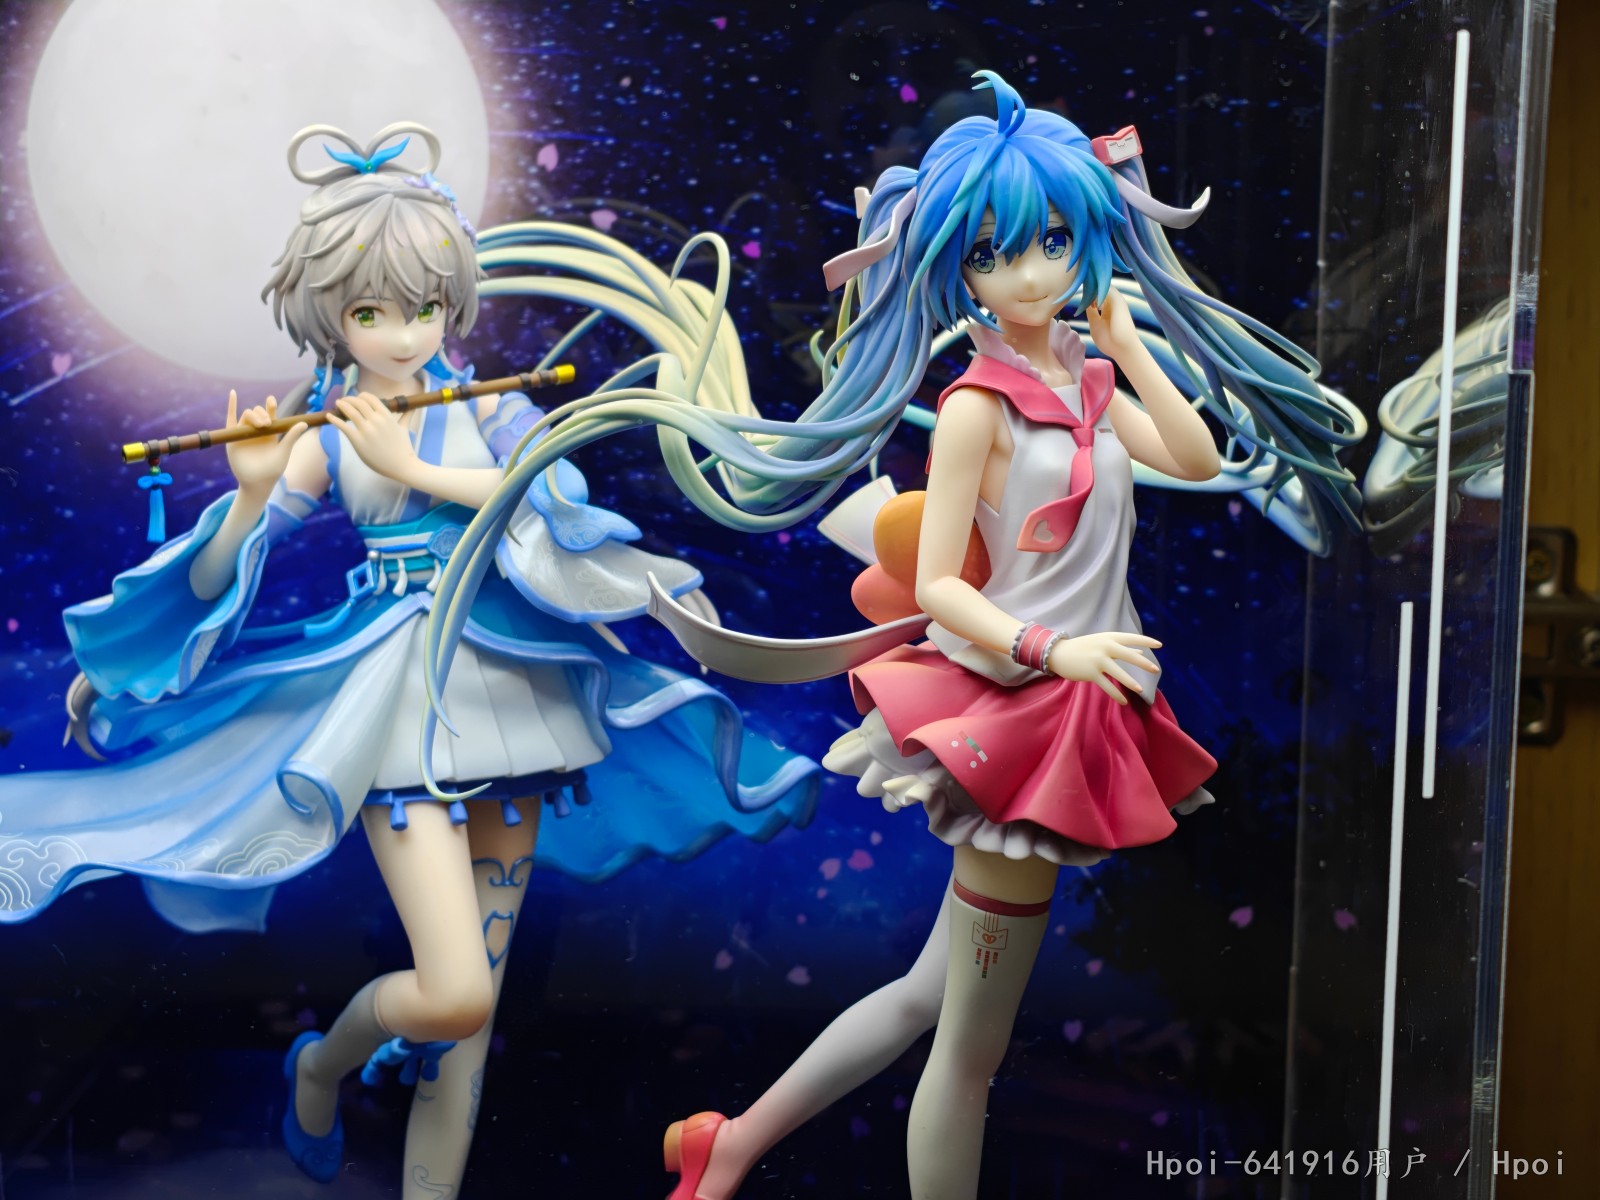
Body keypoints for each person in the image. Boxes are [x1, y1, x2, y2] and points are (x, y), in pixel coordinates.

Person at [430, 71, 1362, 1200]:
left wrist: (1132, 349)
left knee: (932, 997)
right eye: (995, 254)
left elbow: (1199, 460)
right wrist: (1054, 650)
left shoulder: (1087, 377)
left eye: (1053, 242)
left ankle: (729, 1144)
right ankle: (739, 1148)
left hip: (1073, 708)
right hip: (1020, 720)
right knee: (968, 1049)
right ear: (956, 268)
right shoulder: (975, 406)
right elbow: (942, 589)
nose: (1031, 274)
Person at [0, 121, 817, 1198]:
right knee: (454, 993)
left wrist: (424, 472)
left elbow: (548, 509)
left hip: (518, 696)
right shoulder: (323, 432)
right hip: (394, 705)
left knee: (470, 1020)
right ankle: (322, 1065)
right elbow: (220, 571)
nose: (402, 333)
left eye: (424, 306)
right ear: (329, 314)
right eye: (370, 312)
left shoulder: (498, 406)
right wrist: (250, 496)